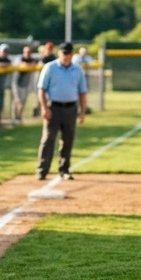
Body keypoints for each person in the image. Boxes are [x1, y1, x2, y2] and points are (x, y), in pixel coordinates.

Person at [35, 42, 87, 180]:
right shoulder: (50, 68)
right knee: (48, 139)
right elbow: (41, 89)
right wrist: (44, 108)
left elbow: (82, 92)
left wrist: (82, 112)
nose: (66, 56)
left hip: (71, 108)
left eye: (69, 53)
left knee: (68, 139)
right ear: (59, 53)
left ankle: (64, 169)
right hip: (54, 107)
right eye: (64, 53)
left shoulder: (77, 70)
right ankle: (42, 170)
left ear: (72, 54)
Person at [11, 45, 36, 124]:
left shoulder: (32, 60)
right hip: (17, 83)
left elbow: (34, 64)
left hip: (26, 84)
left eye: (29, 52)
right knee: (17, 101)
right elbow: (20, 65)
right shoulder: (19, 59)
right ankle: (14, 119)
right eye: (26, 52)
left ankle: (18, 117)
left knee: (23, 101)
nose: (28, 54)